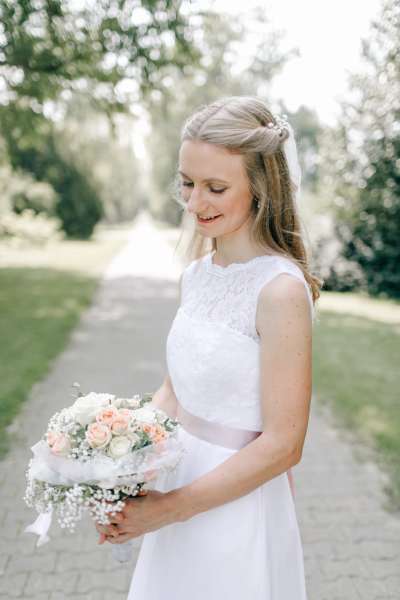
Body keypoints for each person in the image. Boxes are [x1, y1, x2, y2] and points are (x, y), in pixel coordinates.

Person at [95, 95, 323, 599]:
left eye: (216, 188)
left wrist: (170, 508)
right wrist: (120, 462)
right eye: (187, 183)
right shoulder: (197, 275)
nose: (195, 203)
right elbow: (174, 392)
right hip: (177, 479)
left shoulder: (280, 291)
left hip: (234, 504)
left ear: (261, 187)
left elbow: (284, 445)